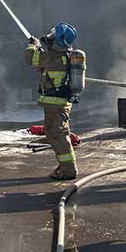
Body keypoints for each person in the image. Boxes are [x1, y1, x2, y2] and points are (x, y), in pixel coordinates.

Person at [24, 22, 80, 180]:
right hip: (57, 103)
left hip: (56, 104)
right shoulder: (62, 55)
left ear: (59, 40)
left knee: (58, 136)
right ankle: (65, 166)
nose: (49, 37)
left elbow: (29, 57)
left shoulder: (53, 56)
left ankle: (68, 169)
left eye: (53, 35)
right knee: (55, 134)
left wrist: (33, 45)